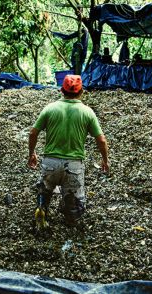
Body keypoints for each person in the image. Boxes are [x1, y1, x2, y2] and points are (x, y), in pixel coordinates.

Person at [28, 75, 109, 230]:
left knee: (44, 190)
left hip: (50, 162)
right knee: (74, 202)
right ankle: (70, 219)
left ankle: (41, 209)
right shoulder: (87, 112)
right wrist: (105, 160)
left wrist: (32, 153)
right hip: (74, 165)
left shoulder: (50, 108)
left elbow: (33, 133)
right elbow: (101, 140)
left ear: (61, 90)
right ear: (82, 92)